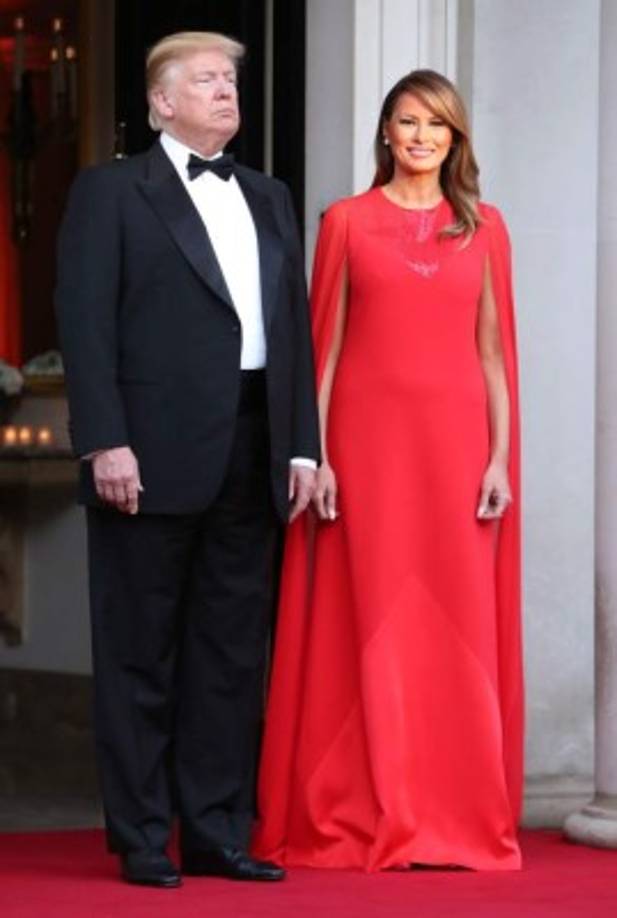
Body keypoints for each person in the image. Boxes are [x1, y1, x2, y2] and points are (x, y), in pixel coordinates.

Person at [55, 31, 319, 888]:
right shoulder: (111, 192)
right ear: (161, 102)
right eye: (205, 80)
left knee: (230, 654)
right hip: (146, 450)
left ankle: (214, 833)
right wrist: (103, 438)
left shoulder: (270, 197)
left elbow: (294, 331)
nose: (225, 92)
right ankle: (139, 836)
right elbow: (85, 323)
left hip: (253, 450)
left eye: (232, 81)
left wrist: (304, 444)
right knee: (139, 651)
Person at [252, 69, 523, 872]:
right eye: (407, 121)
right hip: (363, 453)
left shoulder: (486, 228)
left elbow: (493, 354)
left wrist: (500, 459)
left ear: (455, 138)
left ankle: (450, 809)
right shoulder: (344, 222)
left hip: (456, 451)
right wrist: (319, 456)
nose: (420, 137)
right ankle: (359, 805)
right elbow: (321, 351)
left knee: (453, 621)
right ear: (385, 133)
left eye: (436, 124)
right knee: (358, 616)